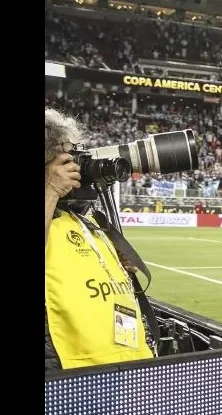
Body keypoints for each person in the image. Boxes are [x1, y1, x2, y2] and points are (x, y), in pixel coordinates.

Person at [45, 108, 156, 371]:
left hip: (119, 360)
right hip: (68, 366)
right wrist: (50, 190)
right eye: (65, 157)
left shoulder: (84, 218)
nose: (75, 164)